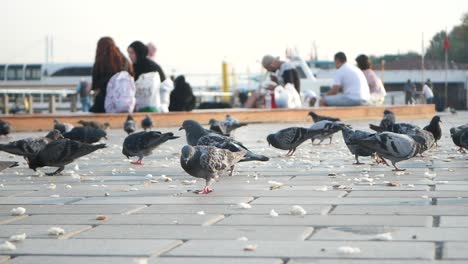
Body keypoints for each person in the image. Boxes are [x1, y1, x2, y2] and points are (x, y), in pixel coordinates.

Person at [90, 37, 133, 113]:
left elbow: (95, 88)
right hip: (123, 103)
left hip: (103, 104)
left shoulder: (99, 63)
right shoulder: (125, 61)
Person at [128, 41, 162, 112]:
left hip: (153, 106)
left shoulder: (152, 67)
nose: (129, 56)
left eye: (132, 53)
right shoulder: (132, 68)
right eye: (129, 53)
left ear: (139, 52)